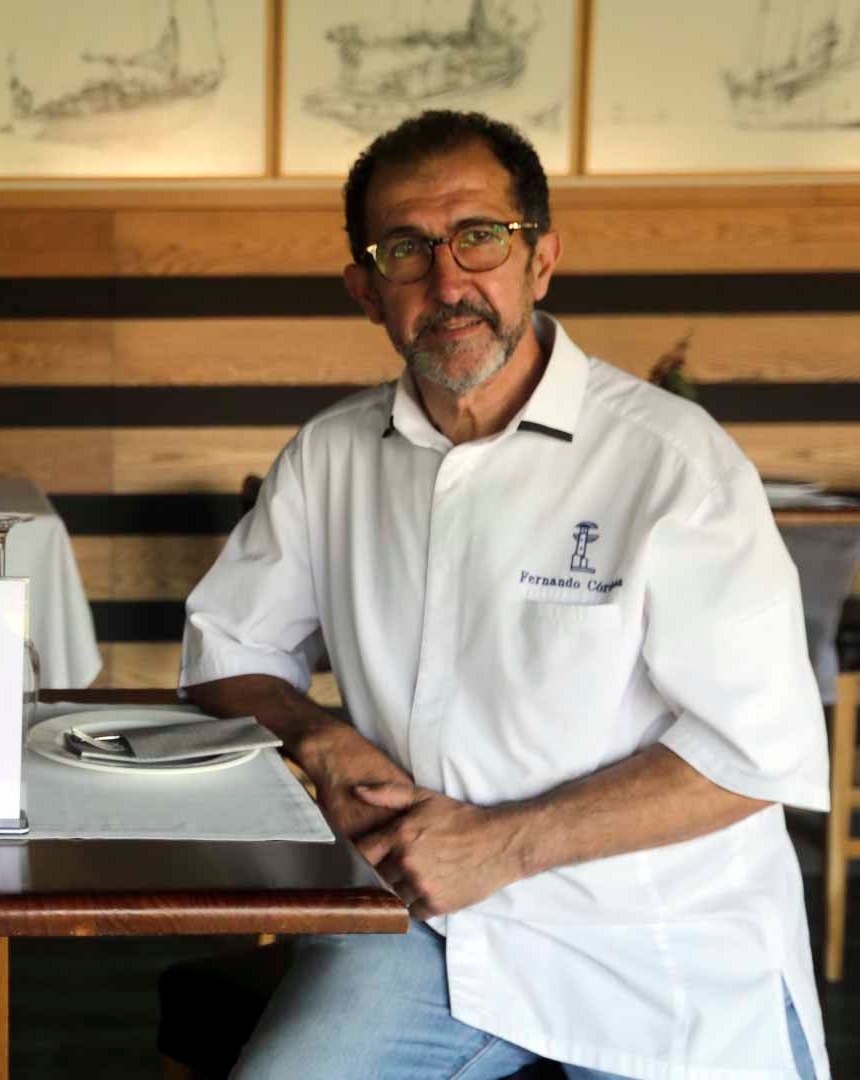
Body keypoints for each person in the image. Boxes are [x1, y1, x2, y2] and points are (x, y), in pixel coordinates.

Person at [180, 110, 830, 1080]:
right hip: (423, 923)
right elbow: (228, 652)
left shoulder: (670, 462)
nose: (449, 282)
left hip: (658, 937)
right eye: (407, 249)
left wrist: (505, 846)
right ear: (366, 290)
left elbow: (755, 754)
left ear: (541, 260)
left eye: (480, 236)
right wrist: (316, 734)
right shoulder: (330, 455)